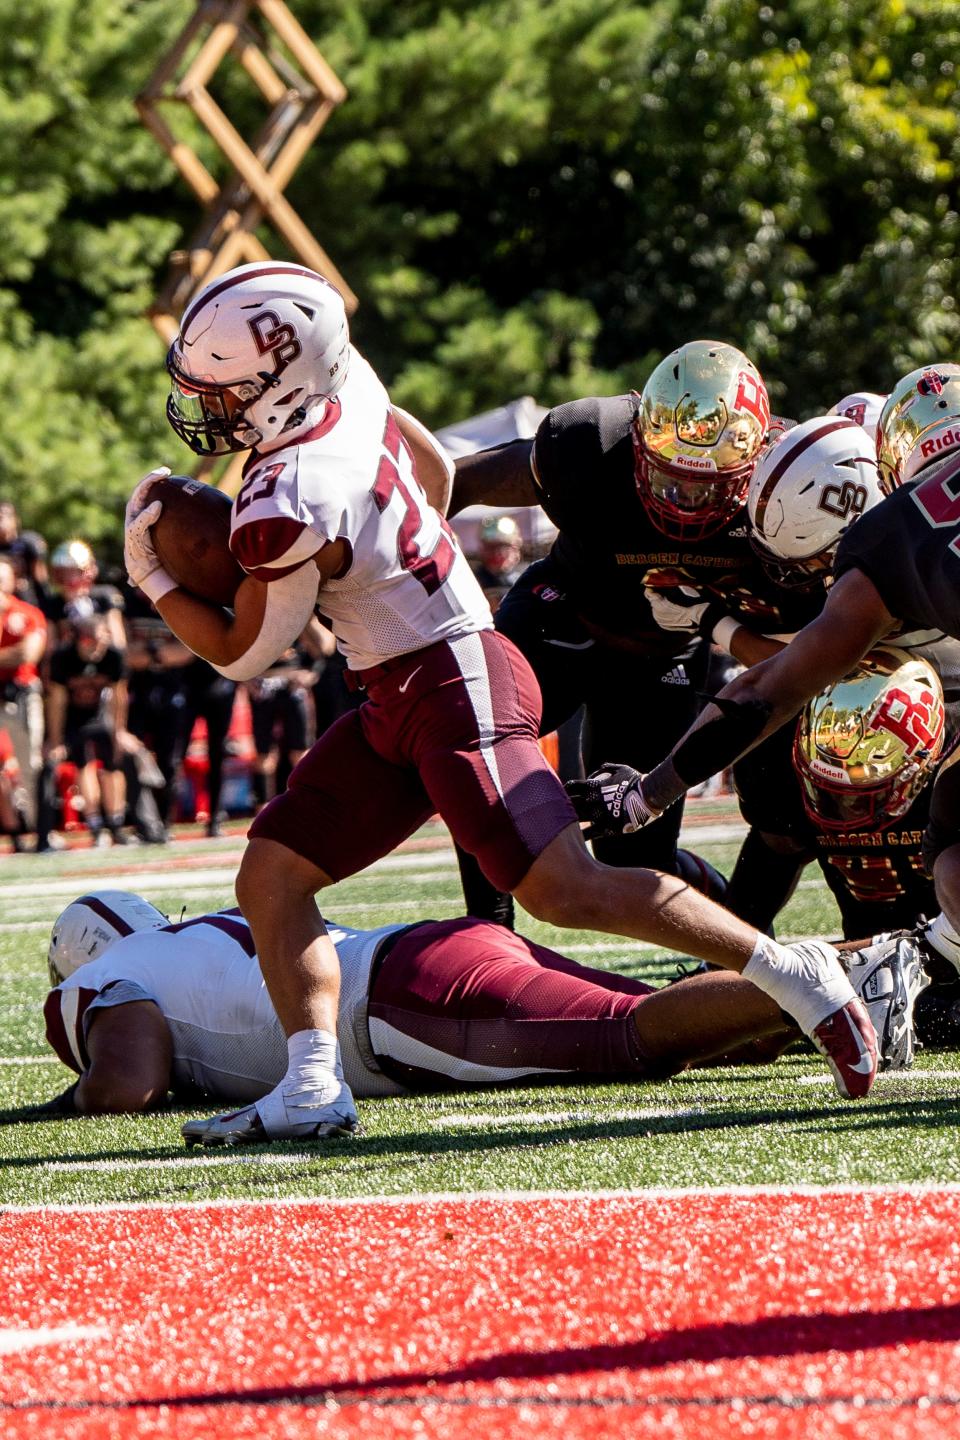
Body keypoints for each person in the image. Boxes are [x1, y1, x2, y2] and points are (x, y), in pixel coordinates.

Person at [122, 263, 887, 1146]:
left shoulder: (289, 494)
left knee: (565, 887)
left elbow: (246, 653)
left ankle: (792, 971)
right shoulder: (345, 388)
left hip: (450, 675)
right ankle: (312, 1084)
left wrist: (153, 576)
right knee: (273, 874)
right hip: (397, 683)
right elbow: (432, 464)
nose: (206, 408)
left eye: (221, 390)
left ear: (276, 383)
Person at [565, 363, 960, 987]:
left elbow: (777, 682)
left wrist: (650, 791)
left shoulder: (890, 536)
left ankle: (921, 949)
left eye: (807, 565)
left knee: (896, 754)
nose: (792, 580)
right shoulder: (870, 503)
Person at [38, 891, 924, 1123]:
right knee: (693, 1031)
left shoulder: (103, 976)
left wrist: (65, 1101)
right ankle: (866, 978)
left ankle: (877, 961)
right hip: (425, 955)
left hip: (404, 1005)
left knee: (634, 1039)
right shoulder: (194, 937)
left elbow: (127, 1080)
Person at [42, 605, 131, 847]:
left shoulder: (113, 655)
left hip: (100, 714)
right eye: (91, 643)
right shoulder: (62, 657)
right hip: (74, 717)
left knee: (114, 761)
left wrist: (120, 731)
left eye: (101, 642)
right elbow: (57, 702)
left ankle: (116, 822)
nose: (96, 649)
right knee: (84, 762)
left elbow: (118, 697)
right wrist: (56, 739)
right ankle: (95, 824)